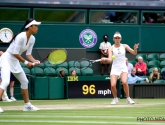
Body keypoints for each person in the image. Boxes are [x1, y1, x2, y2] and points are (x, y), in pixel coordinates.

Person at [0, 18, 41, 113]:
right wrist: (26, 63)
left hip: (15, 61)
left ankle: (27, 105)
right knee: (5, 82)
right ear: (29, 27)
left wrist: (35, 61)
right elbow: (15, 53)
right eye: (35, 26)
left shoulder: (32, 39)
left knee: (25, 81)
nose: (37, 28)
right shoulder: (20, 37)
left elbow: (28, 54)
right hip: (6, 59)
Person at [101, 31, 139, 104]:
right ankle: (115, 99)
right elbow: (110, 59)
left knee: (124, 82)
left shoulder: (124, 46)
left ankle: (128, 98)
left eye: (118, 38)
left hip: (123, 68)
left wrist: (135, 48)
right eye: (116, 38)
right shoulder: (110, 48)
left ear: (121, 39)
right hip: (115, 68)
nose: (117, 39)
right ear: (113, 39)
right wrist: (105, 59)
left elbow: (134, 53)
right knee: (112, 85)